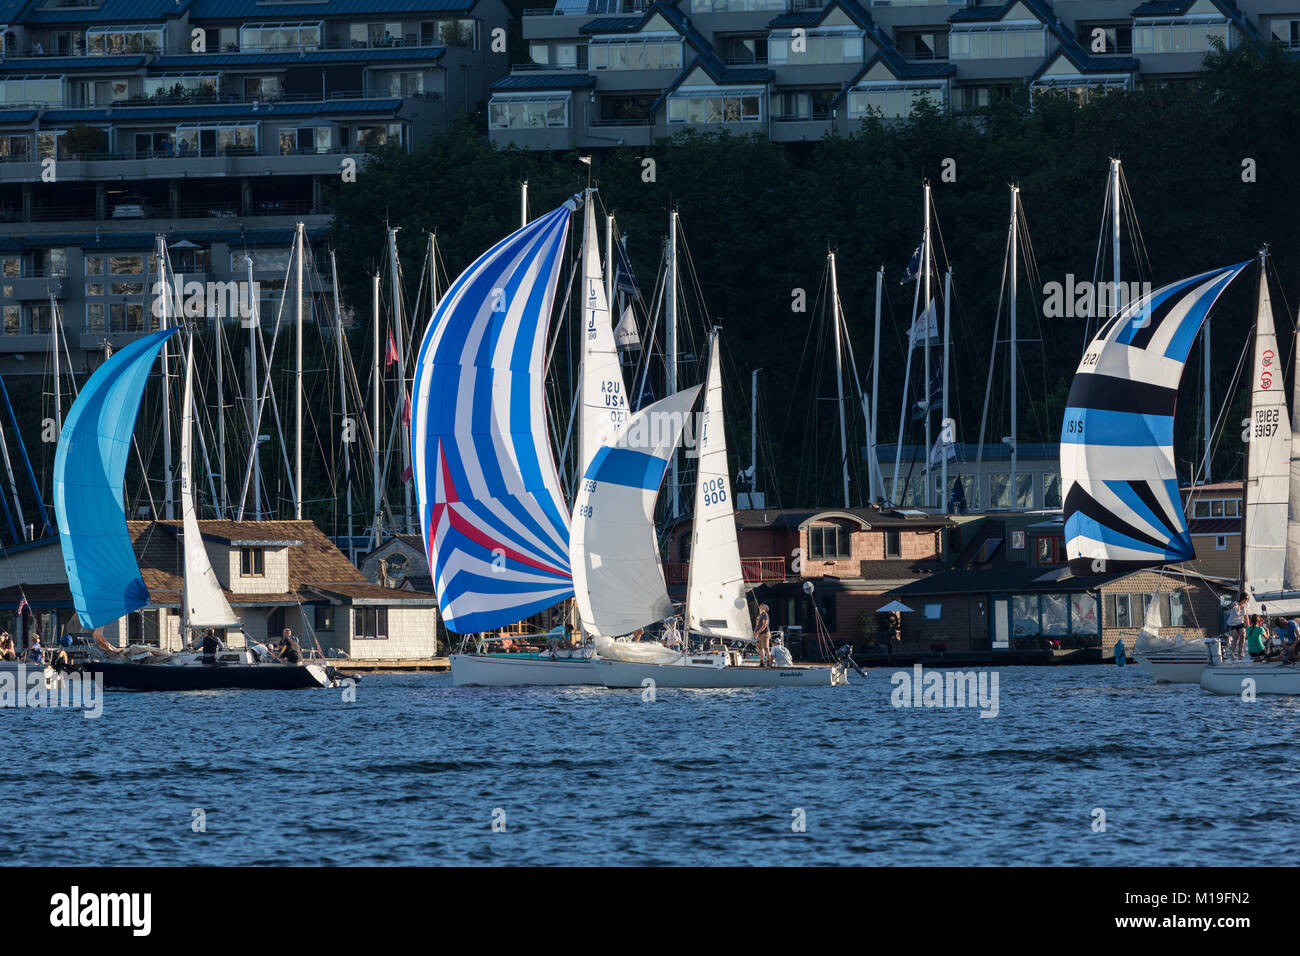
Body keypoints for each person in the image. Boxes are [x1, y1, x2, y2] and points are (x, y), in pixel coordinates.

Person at [1226, 595, 1247, 661]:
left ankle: (1239, 652)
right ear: (1242, 598)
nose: (1246, 600)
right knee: (1235, 637)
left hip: (1240, 623)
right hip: (1232, 624)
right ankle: (1232, 654)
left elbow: (1246, 616)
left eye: (1247, 599)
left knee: (1243, 635)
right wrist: (1233, 606)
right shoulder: (1235, 603)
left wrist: (1248, 626)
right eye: (1246, 598)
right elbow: (1228, 607)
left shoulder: (1246, 605)